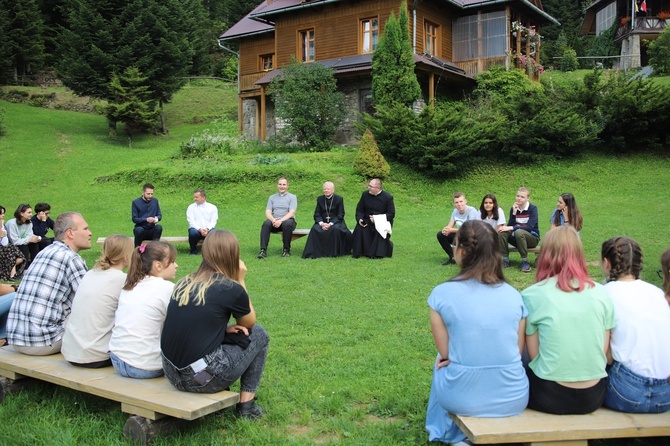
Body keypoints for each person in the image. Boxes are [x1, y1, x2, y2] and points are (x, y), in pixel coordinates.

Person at [426, 220, 528, 444]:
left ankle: (452, 434)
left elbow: (445, 352)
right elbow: (517, 350)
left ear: (461, 250)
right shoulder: (514, 295)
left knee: (440, 360)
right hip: (513, 395)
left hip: (462, 396)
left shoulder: (441, 294)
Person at [162, 230, 269, 420]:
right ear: (233, 254)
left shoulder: (185, 281)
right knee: (259, 333)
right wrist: (240, 280)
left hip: (172, 374)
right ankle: (247, 406)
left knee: (231, 331)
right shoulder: (230, 287)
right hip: (200, 380)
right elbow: (249, 322)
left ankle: (226, 398)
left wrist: (225, 329)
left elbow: (194, 321)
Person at [521, 226, 614, 415]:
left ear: (545, 254)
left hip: (549, 394)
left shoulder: (532, 294)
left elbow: (533, 355)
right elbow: (602, 350)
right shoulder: (602, 292)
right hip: (593, 395)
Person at [6, 212, 92, 355]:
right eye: (85, 229)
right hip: (43, 341)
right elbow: (89, 302)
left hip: (17, 337)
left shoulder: (45, 252)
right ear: (70, 233)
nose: (90, 233)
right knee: (95, 315)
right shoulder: (71, 258)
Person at [601, 237, 670, 413]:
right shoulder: (658, 293)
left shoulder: (604, 294)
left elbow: (605, 356)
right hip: (664, 393)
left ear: (606, 263)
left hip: (626, 392)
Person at [61, 234, 134, 368]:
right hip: (96, 355)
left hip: (70, 351)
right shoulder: (122, 280)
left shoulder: (90, 274)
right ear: (126, 257)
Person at [109, 242, 177, 378]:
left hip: (117, 359)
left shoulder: (130, 285)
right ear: (158, 265)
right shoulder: (166, 288)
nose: (176, 265)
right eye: (173, 262)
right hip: (146, 366)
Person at [302, 181, 352, 259]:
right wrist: (322, 223)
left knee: (335, 229)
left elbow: (340, 215)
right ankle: (315, 252)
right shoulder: (320, 199)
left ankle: (333, 253)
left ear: (333, 190)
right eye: (325, 189)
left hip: (336, 222)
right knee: (315, 229)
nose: (326, 190)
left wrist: (330, 224)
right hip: (323, 222)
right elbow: (317, 214)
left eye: (328, 189)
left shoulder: (339, 199)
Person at [498, 187, 540, 273]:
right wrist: (514, 213)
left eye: (522, 197)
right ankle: (505, 260)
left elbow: (529, 227)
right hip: (517, 238)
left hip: (532, 238)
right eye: (517, 196)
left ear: (528, 198)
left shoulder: (533, 209)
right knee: (502, 232)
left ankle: (525, 261)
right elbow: (510, 225)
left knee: (519, 232)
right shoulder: (514, 208)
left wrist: (513, 228)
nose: (519, 198)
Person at [352, 178, 395, 259]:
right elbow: (360, 209)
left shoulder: (388, 197)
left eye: (371, 186)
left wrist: (376, 219)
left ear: (378, 188)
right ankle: (359, 251)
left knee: (379, 231)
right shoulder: (365, 194)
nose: (369, 188)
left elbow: (391, 214)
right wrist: (360, 219)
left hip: (382, 222)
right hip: (367, 220)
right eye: (369, 185)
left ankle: (374, 253)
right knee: (359, 228)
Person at [257, 177, 297, 258]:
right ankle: (263, 250)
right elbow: (268, 212)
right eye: (280, 184)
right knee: (266, 224)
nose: (282, 186)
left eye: (284, 184)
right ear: (277, 185)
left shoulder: (292, 197)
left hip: (288, 221)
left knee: (287, 224)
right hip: (275, 220)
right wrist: (273, 220)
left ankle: (286, 250)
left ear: (287, 186)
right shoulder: (272, 197)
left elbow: (292, 212)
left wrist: (281, 220)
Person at [436, 192, 479, 265]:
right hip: (461, 236)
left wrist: (451, 230)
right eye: (456, 202)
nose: (459, 204)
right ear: (454, 204)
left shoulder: (472, 211)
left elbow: (469, 229)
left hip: (473, 237)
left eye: (461, 201)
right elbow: (450, 225)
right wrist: (446, 229)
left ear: (465, 201)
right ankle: (453, 258)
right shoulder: (455, 211)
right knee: (441, 234)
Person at [186, 188, 218, 255]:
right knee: (192, 233)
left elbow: (213, 221)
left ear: (203, 197)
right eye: (194, 197)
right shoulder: (191, 207)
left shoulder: (212, 207)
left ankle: (211, 252)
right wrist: (200, 229)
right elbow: (191, 220)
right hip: (196, 229)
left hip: (208, 229)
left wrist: (207, 229)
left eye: (197, 197)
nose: (195, 199)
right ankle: (193, 251)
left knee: (213, 233)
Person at [132, 183, 163, 247]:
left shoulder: (155, 201)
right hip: (141, 229)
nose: (150, 196)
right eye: (148, 194)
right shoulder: (135, 202)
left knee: (159, 227)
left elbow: (159, 215)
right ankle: (137, 249)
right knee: (139, 230)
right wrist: (146, 220)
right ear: (143, 192)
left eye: (152, 194)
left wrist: (156, 219)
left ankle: (154, 248)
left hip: (151, 228)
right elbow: (134, 219)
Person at [0, 205, 26, 281]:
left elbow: (5, 243)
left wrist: (1, 227)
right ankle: (12, 275)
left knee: (19, 256)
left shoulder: (2, 226)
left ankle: (11, 274)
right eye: (1, 214)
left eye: (3, 213)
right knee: (10, 250)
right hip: (3, 249)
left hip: (3, 248)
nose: (3, 216)